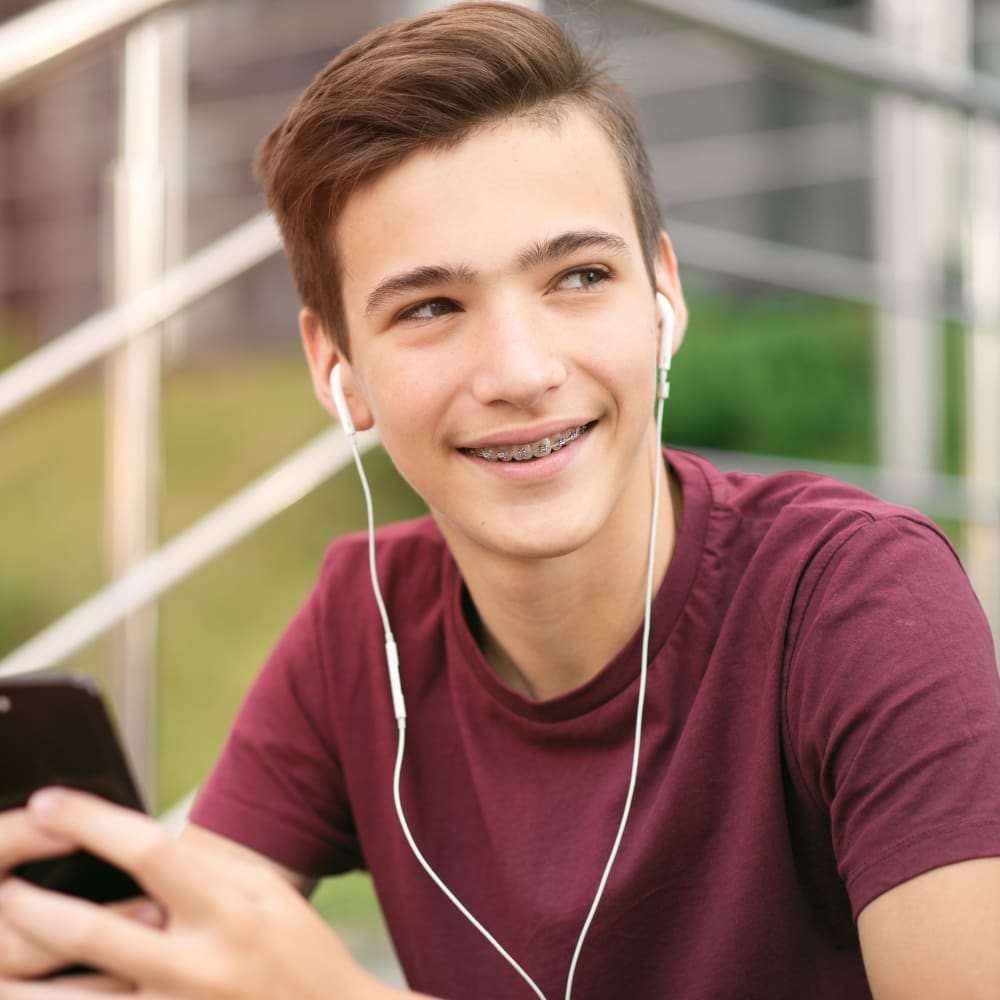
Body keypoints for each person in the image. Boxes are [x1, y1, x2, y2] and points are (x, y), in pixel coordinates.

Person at [1, 3, 999, 997]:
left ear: (663, 297)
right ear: (336, 366)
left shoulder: (857, 597)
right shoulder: (368, 624)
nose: (519, 371)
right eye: (430, 307)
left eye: (577, 275)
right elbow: (196, 952)